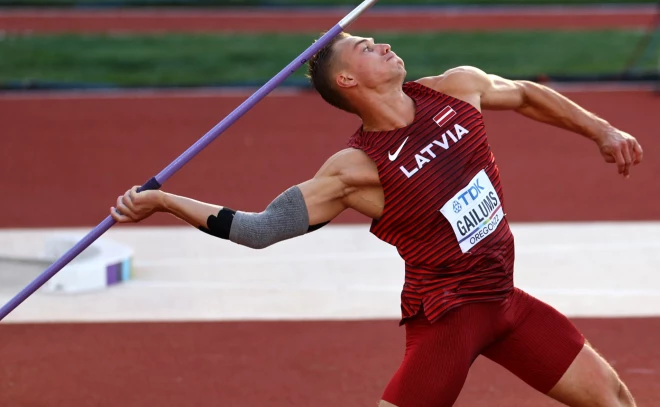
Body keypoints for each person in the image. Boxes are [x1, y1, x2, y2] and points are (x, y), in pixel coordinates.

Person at [111, 32, 643, 407]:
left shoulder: (457, 89)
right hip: (447, 320)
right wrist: (164, 202)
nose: (384, 45)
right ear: (347, 79)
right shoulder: (355, 170)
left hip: (505, 302)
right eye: (367, 48)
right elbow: (261, 229)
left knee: (615, 400)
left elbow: (527, 94)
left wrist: (601, 131)